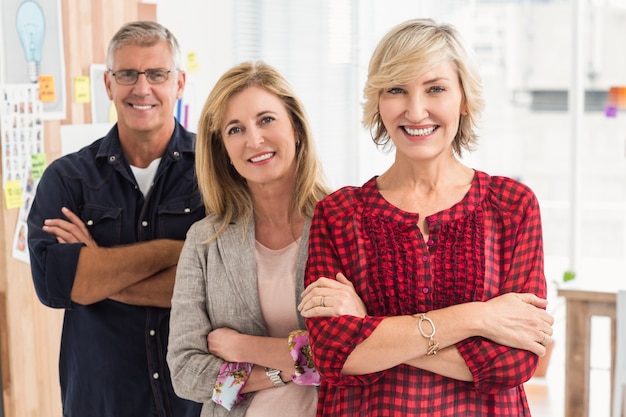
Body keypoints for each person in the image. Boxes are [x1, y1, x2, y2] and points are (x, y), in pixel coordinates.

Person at [298, 18, 554, 416]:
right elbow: (333, 354)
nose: (416, 111)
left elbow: (514, 361)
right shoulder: (337, 214)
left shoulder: (511, 205)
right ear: (378, 101)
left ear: (463, 98)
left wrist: (370, 326)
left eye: (435, 88)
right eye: (397, 90)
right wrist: (478, 317)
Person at [166, 61, 366, 417]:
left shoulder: (348, 222)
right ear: (222, 149)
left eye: (266, 120)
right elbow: (185, 373)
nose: (254, 139)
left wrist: (241, 346)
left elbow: (363, 350)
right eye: (235, 129)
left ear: (296, 127)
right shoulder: (206, 241)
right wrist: (277, 372)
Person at [27, 21, 204, 417]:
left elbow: (217, 284)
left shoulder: (215, 174)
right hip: (100, 403)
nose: (142, 88)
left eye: (157, 74)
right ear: (109, 84)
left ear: (178, 83)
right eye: (127, 74)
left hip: (193, 404)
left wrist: (97, 272)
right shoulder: (67, 179)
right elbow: (56, 285)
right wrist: (180, 251)